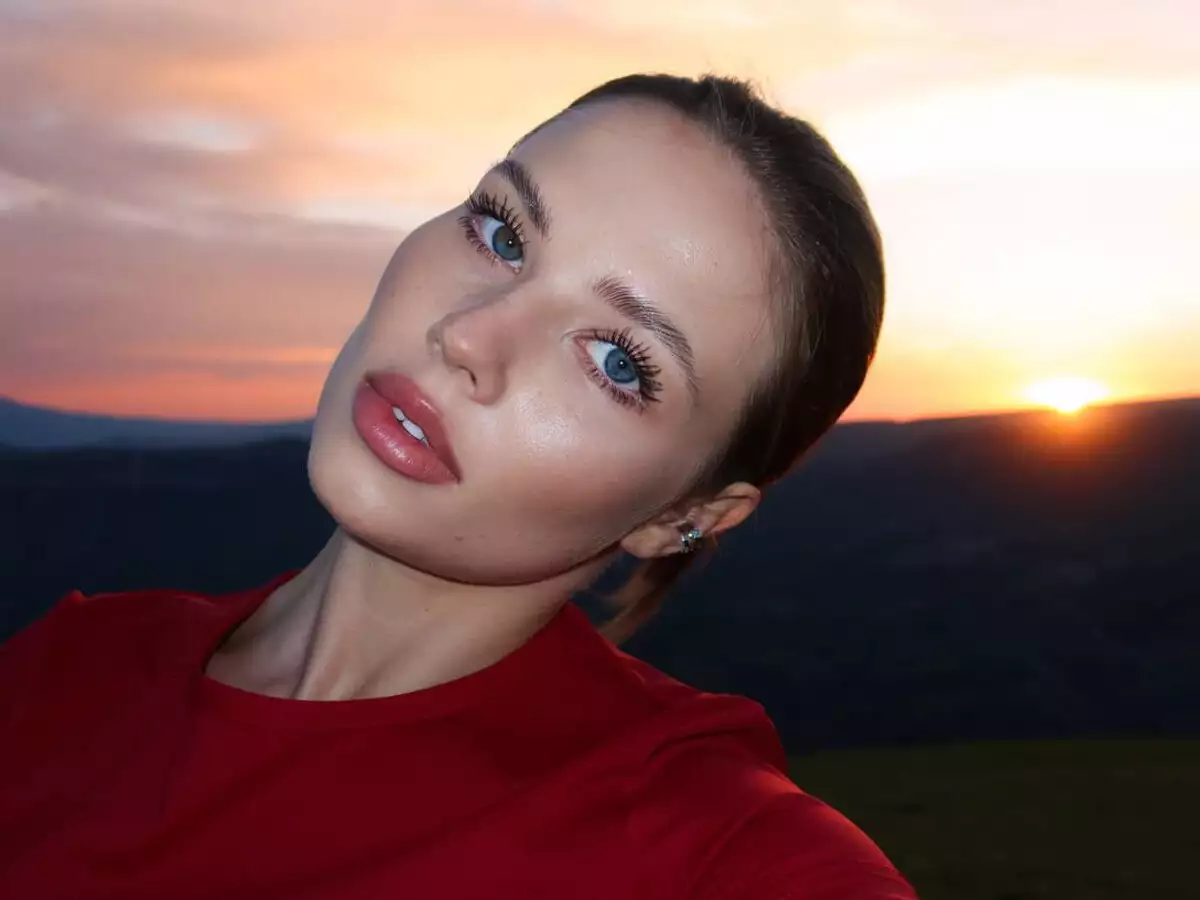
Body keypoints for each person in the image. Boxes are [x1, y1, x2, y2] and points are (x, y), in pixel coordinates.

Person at [0, 74, 915, 898]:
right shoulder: (70, 667)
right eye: (502, 233)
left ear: (687, 513)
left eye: (618, 361)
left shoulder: (705, 850)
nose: (469, 335)